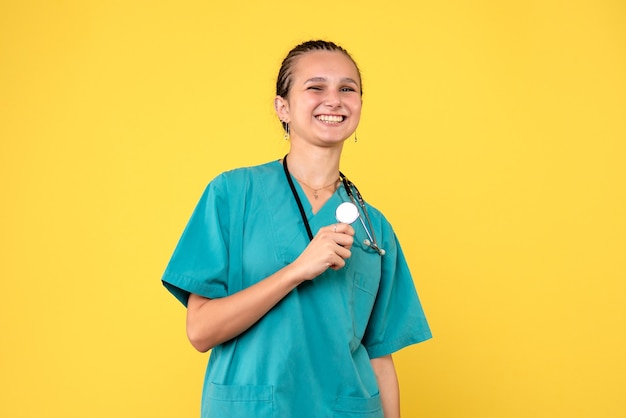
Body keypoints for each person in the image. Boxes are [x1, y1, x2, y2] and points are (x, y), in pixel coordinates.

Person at [162, 40, 431, 418]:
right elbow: (200, 331)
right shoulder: (232, 195)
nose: (334, 100)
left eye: (347, 89)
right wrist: (297, 270)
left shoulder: (374, 229)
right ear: (282, 107)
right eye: (315, 87)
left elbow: (379, 356)